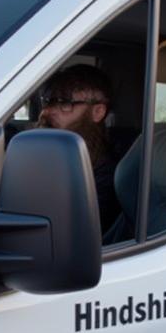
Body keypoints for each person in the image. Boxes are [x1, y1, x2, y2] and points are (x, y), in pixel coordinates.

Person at [37, 64, 120, 234]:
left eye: (65, 103)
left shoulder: (106, 173)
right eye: (47, 101)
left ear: (98, 112)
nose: (46, 112)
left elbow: (77, 234)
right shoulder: (40, 155)